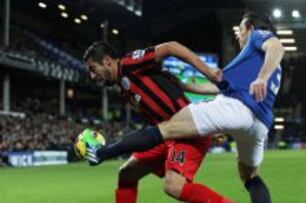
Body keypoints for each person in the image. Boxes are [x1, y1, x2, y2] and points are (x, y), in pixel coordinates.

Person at [85, 12, 285, 203]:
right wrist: (187, 86)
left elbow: (277, 46)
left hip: (219, 116)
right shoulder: (250, 64)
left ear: (249, 27)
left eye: (240, 30)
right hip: (259, 123)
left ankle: (103, 152)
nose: (239, 36)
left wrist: (261, 77)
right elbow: (221, 87)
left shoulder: (258, 37)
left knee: (172, 171)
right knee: (250, 176)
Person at [82, 41, 234, 203]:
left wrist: (208, 71)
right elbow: (171, 102)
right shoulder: (124, 87)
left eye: (93, 69)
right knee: (127, 173)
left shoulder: (129, 64)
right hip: (165, 134)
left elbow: (171, 47)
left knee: (174, 186)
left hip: (186, 133)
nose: (92, 76)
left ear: (107, 60)